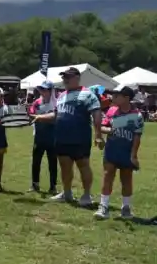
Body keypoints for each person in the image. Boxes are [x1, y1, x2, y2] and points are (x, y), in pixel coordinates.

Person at [33, 67, 103, 206]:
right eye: (64, 77)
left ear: (77, 78)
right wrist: (39, 116)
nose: (65, 80)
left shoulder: (88, 94)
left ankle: (87, 195)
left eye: (68, 77)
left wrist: (98, 134)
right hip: (61, 137)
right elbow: (56, 114)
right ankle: (66, 193)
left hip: (80, 137)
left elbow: (96, 114)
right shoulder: (61, 95)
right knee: (65, 166)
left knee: (83, 166)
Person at [95, 86, 143, 220]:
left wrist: (133, 155)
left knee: (126, 178)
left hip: (126, 151)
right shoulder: (111, 111)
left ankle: (126, 208)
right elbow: (102, 126)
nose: (113, 98)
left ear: (126, 98)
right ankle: (103, 206)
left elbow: (137, 137)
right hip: (111, 150)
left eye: (117, 95)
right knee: (107, 175)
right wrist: (107, 130)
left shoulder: (137, 115)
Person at [28, 80, 58, 194]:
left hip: (53, 136)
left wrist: (39, 117)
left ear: (51, 91)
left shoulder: (56, 103)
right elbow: (31, 115)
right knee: (36, 161)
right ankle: (35, 184)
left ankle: (53, 186)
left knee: (53, 162)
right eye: (41, 89)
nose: (43, 91)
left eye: (45, 89)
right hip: (39, 136)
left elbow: (55, 118)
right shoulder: (37, 102)